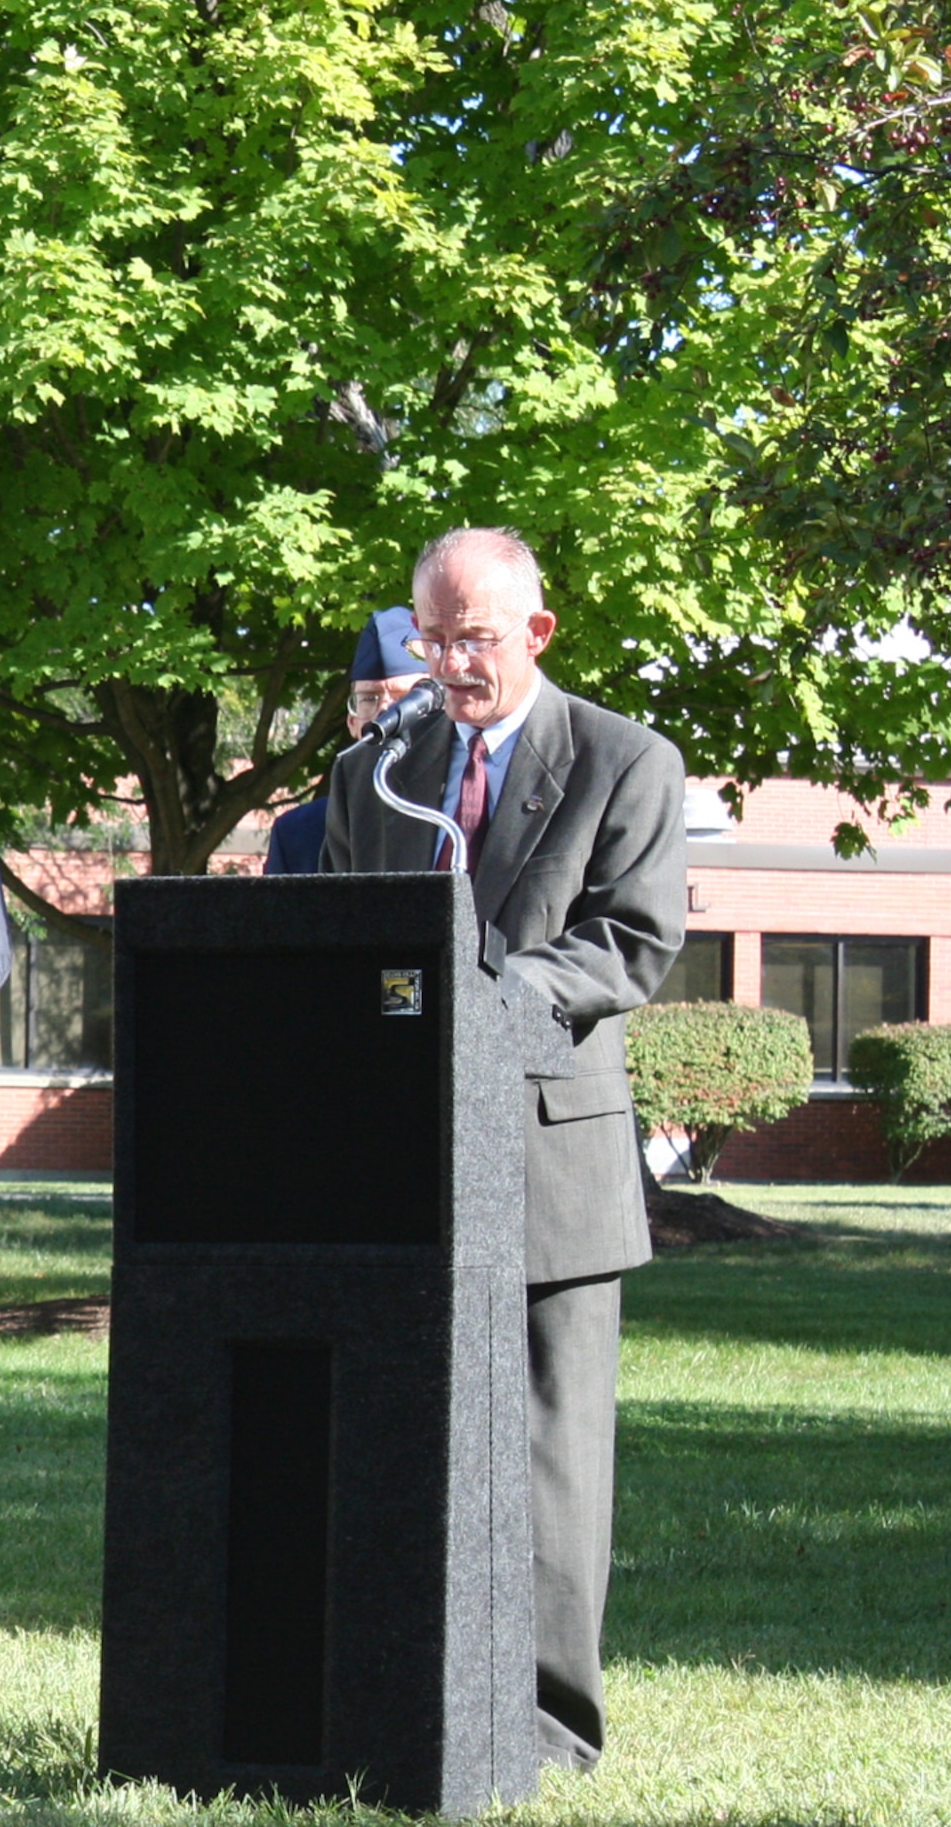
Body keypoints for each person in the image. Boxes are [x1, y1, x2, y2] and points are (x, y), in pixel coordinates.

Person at [322, 526, 686, 1772]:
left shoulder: (623, 761)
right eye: (430, 636)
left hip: (548, 1159)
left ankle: (545, 1729)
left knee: (546, 1456)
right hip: (393, 1156)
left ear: (533, 632)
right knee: (388, 1430)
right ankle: (394, 1693)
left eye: (472, 636)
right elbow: (340, 932)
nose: (448, 661)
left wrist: (478, 1001)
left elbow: (625, 944)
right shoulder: (375, 770)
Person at [262, 607, 425, 875]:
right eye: (369, 698)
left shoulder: (457, 813)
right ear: (352, 722)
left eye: (403, 697)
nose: (386, 712)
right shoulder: (300, 834)